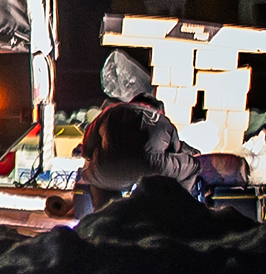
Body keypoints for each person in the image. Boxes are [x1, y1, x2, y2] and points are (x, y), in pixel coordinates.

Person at [76, 64, 201, 212]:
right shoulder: (163, 121)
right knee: (193, 165)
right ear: (158, 110)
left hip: (108, 170)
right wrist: (193, 153)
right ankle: (174, 212)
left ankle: (105, 215)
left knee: (97, 177)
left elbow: (87, 149)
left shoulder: (110, 111)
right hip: (152, 167)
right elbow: (175, 151)